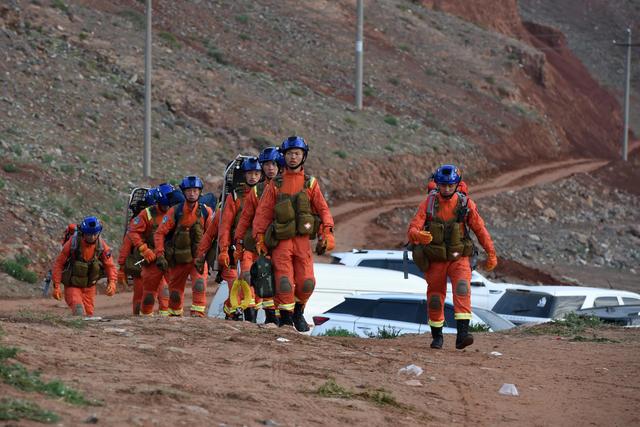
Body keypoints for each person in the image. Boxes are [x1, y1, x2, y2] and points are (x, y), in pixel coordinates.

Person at [407, 164, 497, 350]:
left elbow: (480, 230)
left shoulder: (466, 204)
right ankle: (437, 337)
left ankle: (462, 335)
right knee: (434, 298)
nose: (447, 189)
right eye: (443, 185)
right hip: (435, 259)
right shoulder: (429, 204)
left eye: (450, 185)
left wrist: (491, 253)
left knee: (462, 290)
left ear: (457, 185)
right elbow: (413, 228)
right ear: (437, 184)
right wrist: (417, 235)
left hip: (459, 258)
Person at [252, 136, 335, 331]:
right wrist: (259, 237)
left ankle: (299, 311)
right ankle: (287, 320)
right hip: (281, 243)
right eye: (289, 154)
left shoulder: (311, 183)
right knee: (284, 283)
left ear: (303, 156)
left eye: (297, 154)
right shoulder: (276, 184)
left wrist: (328, 232)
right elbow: (263, 213)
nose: (293, 157)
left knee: (307, 282)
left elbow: (323, 210)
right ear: (284, 156)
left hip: (302, 242)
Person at [234, 147, 283, 325]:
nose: (271, 168)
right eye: (267, 165)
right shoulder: (253, 193)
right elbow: (243, 220)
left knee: (282, 281)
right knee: (250, 278)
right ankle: (252, 319)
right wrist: (236, 244)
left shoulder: (289, 186)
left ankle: (282, 320)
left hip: (279, 243)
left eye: (274, 164)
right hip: (254, 243)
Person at [154, 176, 214, 317]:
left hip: (197, 258)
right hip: (178, 259)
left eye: (195, 190)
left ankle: (198, 314)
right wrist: (160, 254)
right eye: (189, 191)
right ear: (184, 192)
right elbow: (160, 233)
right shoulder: (175, 211)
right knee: (175, 292)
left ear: (199, 192)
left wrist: (210, 255)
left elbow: (212, 233)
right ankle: (175, 315)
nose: (192, 193)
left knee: (199, 284)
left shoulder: (206, 212)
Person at [216, 156, 263, 321]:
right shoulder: (235, 197)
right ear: (244, 174)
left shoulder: (267, 193)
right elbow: (226, 226)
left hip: (262, 245)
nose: (253, 176)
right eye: (250, 173)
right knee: (247, 279)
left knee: (260, 284)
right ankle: (249, 319)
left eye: (257, 173)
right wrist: (224, 250)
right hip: (241, 246)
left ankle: (231, 308)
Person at [51, 216, 117, 316]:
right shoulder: (73, 244)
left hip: (89, 287)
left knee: (89, 314)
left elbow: (110, 265)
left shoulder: (101, 245)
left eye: (95, 234)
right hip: (73, 285)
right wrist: (56, 285)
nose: (92, 237)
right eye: (89, 234)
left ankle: (79, 331)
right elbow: (59, 264)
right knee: (79, 310)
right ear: (83, 233)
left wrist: (112, 282)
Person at [127, 184, 174, 316]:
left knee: (166, 292)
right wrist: (144, 250)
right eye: (163, 206)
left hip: (166, 258)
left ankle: (167, 317)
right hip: (149, 260)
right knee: (145, 294)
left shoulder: (176, 211)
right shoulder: (146, 215)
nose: (166, 209)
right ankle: (141, 318)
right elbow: (130, 238)